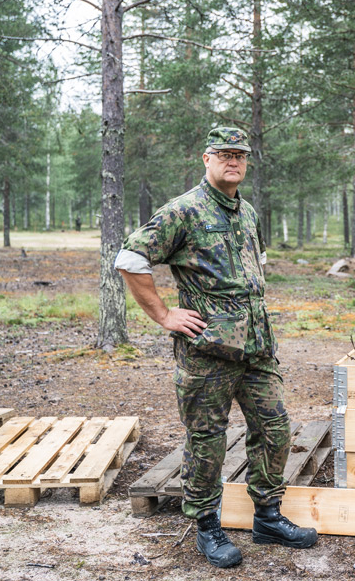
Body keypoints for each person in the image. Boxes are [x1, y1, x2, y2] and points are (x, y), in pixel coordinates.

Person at [115, 127, 316, 569]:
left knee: (276, 428)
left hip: (257, 350)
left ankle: (267, 515)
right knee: (207, 440)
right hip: (207, 352)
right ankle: (207, 525)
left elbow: (254, 270)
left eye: (240, 155)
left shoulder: (247, 212)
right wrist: (166, 316)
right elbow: (130, 259)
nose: (233, 161)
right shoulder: (183, 211)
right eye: (224, 154)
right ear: (206, 158)